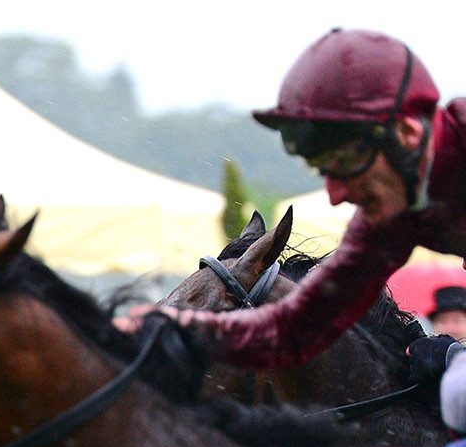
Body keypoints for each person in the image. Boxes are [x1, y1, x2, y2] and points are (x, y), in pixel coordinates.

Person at [132, 30, 466, 424]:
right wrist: (190, 330)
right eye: (322, 169)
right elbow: (298, 330)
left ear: (407, 134)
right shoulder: (390, 209)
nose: (336, 195)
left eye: (344, 162)